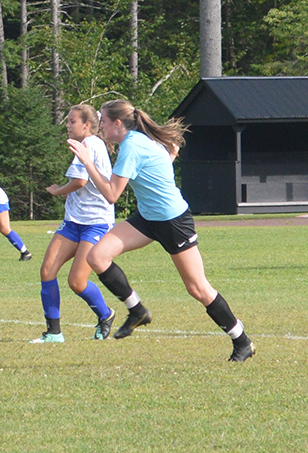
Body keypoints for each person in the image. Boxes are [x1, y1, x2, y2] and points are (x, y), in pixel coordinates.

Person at [69, 99, 255, 362]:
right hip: (148, 219)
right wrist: (168, 157)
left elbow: (111, 194)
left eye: (104, 122)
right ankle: (137, 311)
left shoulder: (132, 146)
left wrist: (88, 162)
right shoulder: (135, 141)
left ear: (118, 124)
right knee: (97, 257)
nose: (101, 127)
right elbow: (163, 159)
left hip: (172, 221)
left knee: (198, 288)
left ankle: (242, 340)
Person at [32, 105, 116, 343]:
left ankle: (106, 314)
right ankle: (54, 332)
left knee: (77, 282)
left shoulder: (89, 144)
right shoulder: (87, 144)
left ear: (86, 125)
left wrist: (59, 191)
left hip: (96, 223)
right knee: (47, 270)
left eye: (71, 121)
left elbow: (80, 181)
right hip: (73, 221)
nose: (67, 125)